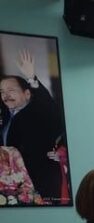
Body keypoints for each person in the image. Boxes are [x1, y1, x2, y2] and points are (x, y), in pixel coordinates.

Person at [0, 50, 66, 203]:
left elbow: (49, 108)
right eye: (2, 92)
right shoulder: (5, 115)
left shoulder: (39, 112)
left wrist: (31, 78)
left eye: (11, 90)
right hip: (12, 184)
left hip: (41, 182)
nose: (6, 95)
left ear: (27, 94)